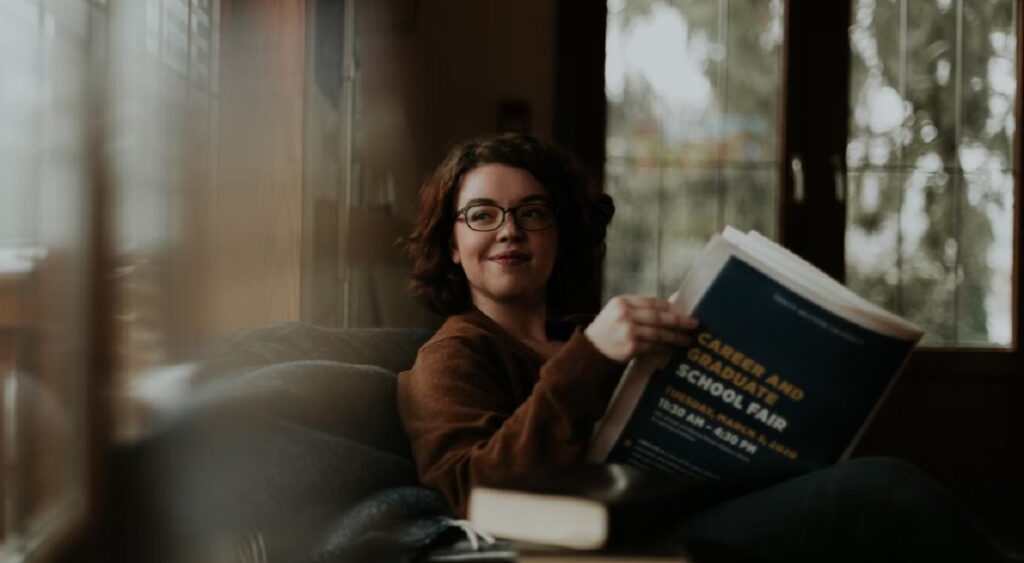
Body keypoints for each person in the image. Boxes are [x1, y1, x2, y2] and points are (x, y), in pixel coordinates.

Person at [397, 133, 1013, 563]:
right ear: (452, 245)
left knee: (869, 489)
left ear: (560, 233)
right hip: (607, 544)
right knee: (884, 493)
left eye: (532, 212)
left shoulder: (591, 327)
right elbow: (471, 493)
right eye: (481, 215)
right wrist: (594, 356)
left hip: (691, 507)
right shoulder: (453, 354)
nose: (508, 229)